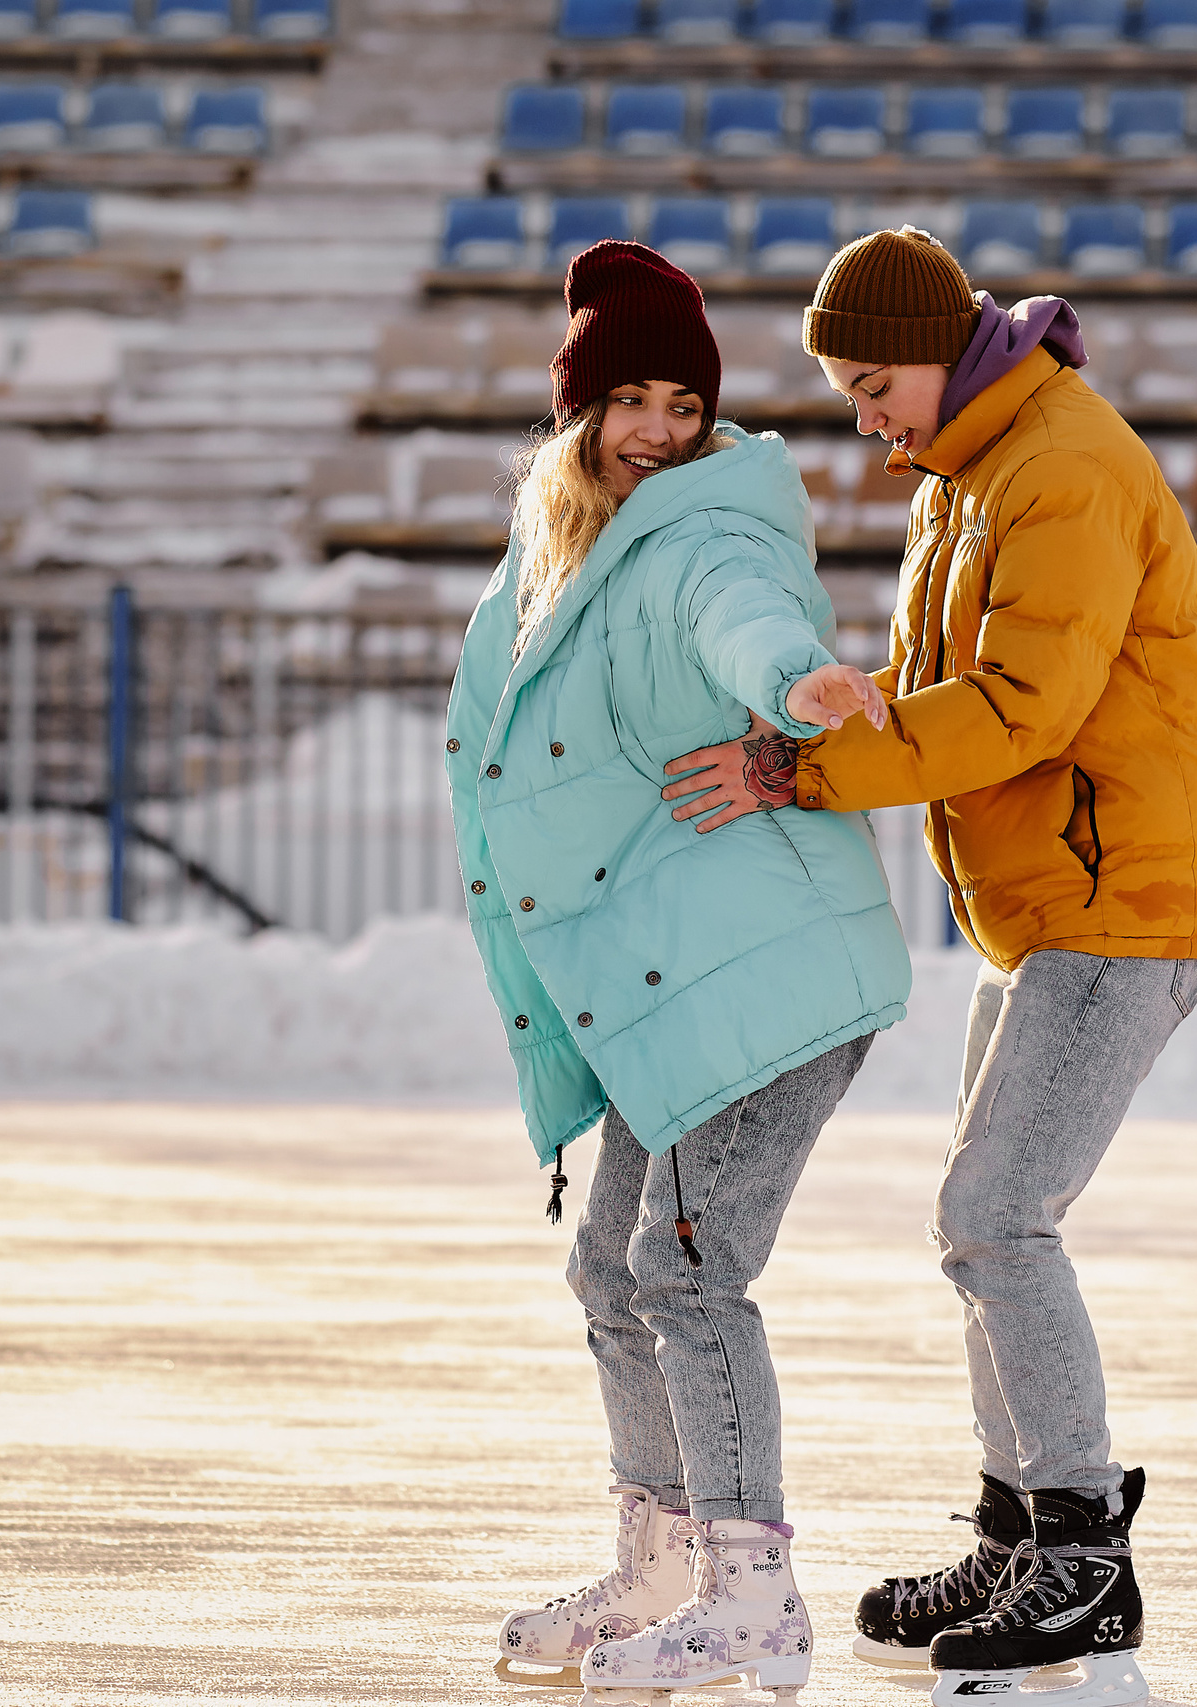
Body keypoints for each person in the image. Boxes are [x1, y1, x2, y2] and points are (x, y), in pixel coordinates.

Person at [660, 226, 1197, 1707]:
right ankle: (1016, 1534)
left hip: (1127, 896)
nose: (866, 416)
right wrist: (847, 703)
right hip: (1057, 900)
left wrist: (814, 770)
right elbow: (950, 691)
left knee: (997, 1214)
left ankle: (1081, 1555)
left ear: (940, 350)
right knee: (984, 1219)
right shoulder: (973, 474)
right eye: (850, 392)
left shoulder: (1061, 467)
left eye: (873, 384)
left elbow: (1025, 706)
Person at [447, 240, 910, 1703]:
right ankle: (656, 1568)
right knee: (608, 1264)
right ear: (580, 415)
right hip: (672, 973)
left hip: (763, 971)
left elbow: (743, 612)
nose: (660, 429)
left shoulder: (709, 527)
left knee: (687, 1271)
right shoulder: (563, 547)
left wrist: (800, 686)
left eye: (682, 403)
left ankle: (753, 1594)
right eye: (631, 400)